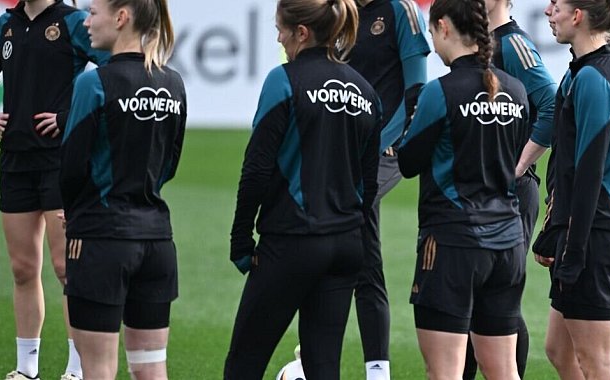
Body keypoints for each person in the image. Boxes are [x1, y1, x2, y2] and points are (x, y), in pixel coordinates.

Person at [223, 0, 381, 378]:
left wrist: (241, 237)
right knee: (322, 366)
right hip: (345, 246)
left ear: (302, 32)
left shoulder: (284, 80)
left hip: (292, 242)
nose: (278, 37)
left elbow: (257, 167)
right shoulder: (366, 92)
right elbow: (369, 184)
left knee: (244, 363)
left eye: (281, 29)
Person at [0, 0, 109, 378]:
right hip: (15, 161)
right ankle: (26, 370)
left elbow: (110, 73)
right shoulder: (7, 23)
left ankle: (76, 370)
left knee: (67, 267)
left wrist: (68, 117)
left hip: (60, 161)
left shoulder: (74, 21)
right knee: (22, 268)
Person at [396, 0, 530, 378]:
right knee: (503, 371)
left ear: (443, 27)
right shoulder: (517, 91)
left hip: (453, 245)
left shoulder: (440, 92)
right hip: (507, 244)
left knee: (446, 373)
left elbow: (407, 162)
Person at [59, 0, 182, 378]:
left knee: (97, 369)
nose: (86, 23)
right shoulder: (173, 82)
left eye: (93, 13)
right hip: (158, 243)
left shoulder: (92, 82)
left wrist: (74, 215)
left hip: (101, 241)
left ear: (122, 17)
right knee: (150, 371)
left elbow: (71, 168)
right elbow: (170, 164)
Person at [533, 0, 610, 379]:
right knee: (564, 348)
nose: (549, 13)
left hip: (596, 233)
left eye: (556, 6)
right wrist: (553, 232)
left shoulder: (594, 78)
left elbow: (587, 172)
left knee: (597, 359)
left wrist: (574, 248)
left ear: (577, 16)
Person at [458, 1, 558, 378]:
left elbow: (551, 105)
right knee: (472, 299)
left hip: (512, 192)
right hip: (489, 190)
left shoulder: (513, 44)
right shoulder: (485, 44)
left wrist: (516, 166)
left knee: (498, 303)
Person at [346, 1, 430, 378]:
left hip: (386, 148)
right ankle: (377, 369)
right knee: (365, 257)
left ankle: (313, 357)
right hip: (343, 153)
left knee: (334, 222)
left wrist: (395, 139)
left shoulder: (400, 10)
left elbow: (416, 88)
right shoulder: (338, 8)